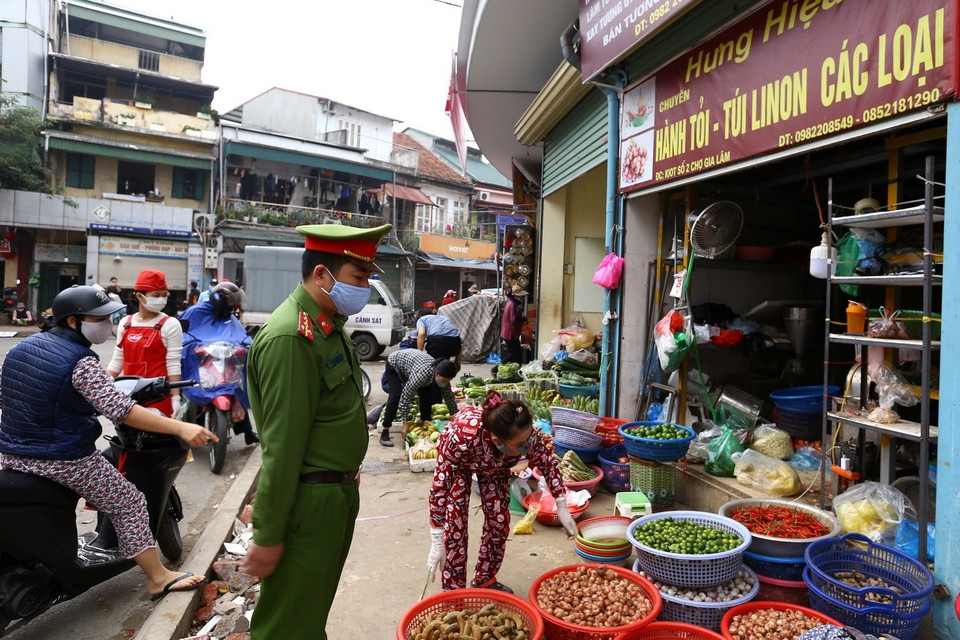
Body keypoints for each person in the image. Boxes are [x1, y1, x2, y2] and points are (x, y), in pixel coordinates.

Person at [0, 285, 216, 601]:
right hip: (64, 459)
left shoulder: (22, 348)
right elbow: (121, 410)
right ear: (73, 322)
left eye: (109, 318)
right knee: (128, 501)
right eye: (99, 318)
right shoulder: (80, 361)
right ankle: (158, 578)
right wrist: (180, 427)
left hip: (13, 456)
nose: (107, 325)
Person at [240, 223, 392, 640]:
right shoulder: (291, 337)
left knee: (309, 612)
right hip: (309, 500)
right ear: (322, 275)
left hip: (334, 494)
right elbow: (282, 448)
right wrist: (268, 534)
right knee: (289, 625)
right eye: (357, 279)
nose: (364, 288)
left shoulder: (328, 324)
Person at [426, 391, 577, 592]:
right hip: (461, 463)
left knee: (498, 521)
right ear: (497, 440)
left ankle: (484, 578)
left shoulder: (524, 435)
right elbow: (439, 488)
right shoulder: (462, 438)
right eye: (520, 444)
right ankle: (454, 590)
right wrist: (436, 535)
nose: (527, 447)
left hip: (496, 467)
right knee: (455, 526)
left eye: (529, 438)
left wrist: (561, 504)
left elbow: (547, 463)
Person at [179, 281, 258, 445]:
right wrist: (190, 346)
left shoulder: (229, 317)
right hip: (201, 362)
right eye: (230, 303)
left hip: (226, 361)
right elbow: (183, 334)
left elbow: (240, 335)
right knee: (193, 387)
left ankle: (248, 432)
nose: (233, 306)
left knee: (236, 388)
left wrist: (247, 343)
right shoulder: (196, 312)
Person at [105, 270, 183, 419]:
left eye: (164, 295)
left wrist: (175, 398)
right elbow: (118, 360)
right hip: (129, 395)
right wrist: (100, 387)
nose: (161, 300)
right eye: (156, 295)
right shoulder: (125, 323)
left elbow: (173, 363)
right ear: (140, 296)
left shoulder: (171, 324)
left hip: (159, 396)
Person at [378, 349, 458, 448]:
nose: (446, 382)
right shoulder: (421, 375)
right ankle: (385, 431)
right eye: (445, 380)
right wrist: (405, 423)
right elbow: (405, 396)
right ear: (437, 373)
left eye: (448, 380)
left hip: (415, 364)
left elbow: (449, 397)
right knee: (396, 395)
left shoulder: (442, 375)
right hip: (395, 363)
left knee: (426, 397)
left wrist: (456, 419)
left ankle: (426, 424)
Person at [500, 284, 527, 365]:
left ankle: (497, 369)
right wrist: (523, 319)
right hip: (510, 334)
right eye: (520, 296)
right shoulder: (513, 305)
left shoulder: (510, 303)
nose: (521, 298)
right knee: (515, 355)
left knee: (514, 354)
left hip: (508, 333)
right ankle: (495, 369)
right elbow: (514, 319)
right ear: (516, 296)